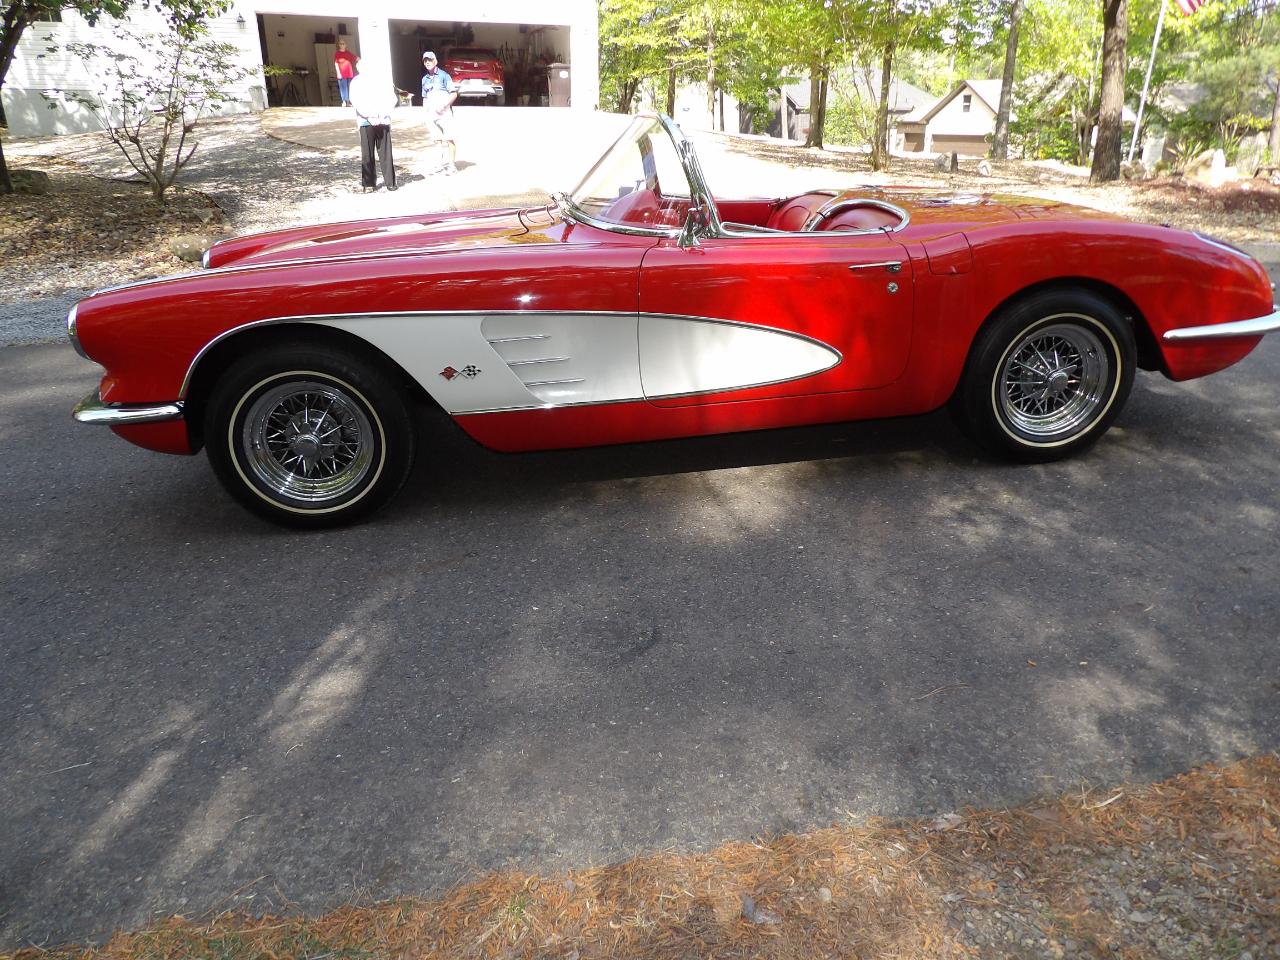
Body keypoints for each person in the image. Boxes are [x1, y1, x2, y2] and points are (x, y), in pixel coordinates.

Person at [348, 71, 398, 192]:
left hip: (383, 120)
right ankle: (369, 183)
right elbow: (355, 100)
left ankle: (390, 182)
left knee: (386, 153)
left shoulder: (383, 79)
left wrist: (381, 115)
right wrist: (369, 116)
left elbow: (392, 99)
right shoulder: (356, 81)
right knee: (367, 153)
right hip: (365, 121)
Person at [420, 50, 459, 175]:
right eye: (425, 60)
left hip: (445, 113)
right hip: (431, 115)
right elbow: (425, 97)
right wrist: (425, 114)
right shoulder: (424, 79)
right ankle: (439, 164)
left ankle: (452, 165)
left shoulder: (444, 75)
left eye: (430, 60)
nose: (427, 62)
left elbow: (454, 93)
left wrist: (444, 105)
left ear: (435, 61)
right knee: (437, 140)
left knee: (449, 139)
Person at [333, 38, 358, 107]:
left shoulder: (348, 53)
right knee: (343, 87)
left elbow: (355, 58)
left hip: (349, 73)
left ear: (345, 45)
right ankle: (344, 101)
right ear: (339, 45)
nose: (342, 45)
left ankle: (348, 101)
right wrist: (338, 73)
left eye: (343, 43)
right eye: (340, 44)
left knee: (349, 87)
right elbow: (336, 63)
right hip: (342, 74)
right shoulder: (337, 53)